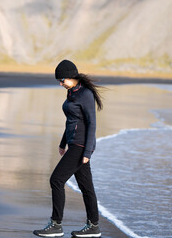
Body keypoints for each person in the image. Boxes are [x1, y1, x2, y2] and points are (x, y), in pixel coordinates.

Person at [33, 60, 103, 238]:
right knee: (86, 187)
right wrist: (63, 142)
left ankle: (56, 224)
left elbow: (91, 123)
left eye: (62, 79)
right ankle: (93, 227)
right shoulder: (72, 93)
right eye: (59, 80)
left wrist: (87, 152)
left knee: (56, 180)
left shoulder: (85, 94)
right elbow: (71, 121)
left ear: (72, 76)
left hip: (81, 146)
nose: (60, 83)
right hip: (73, 144)